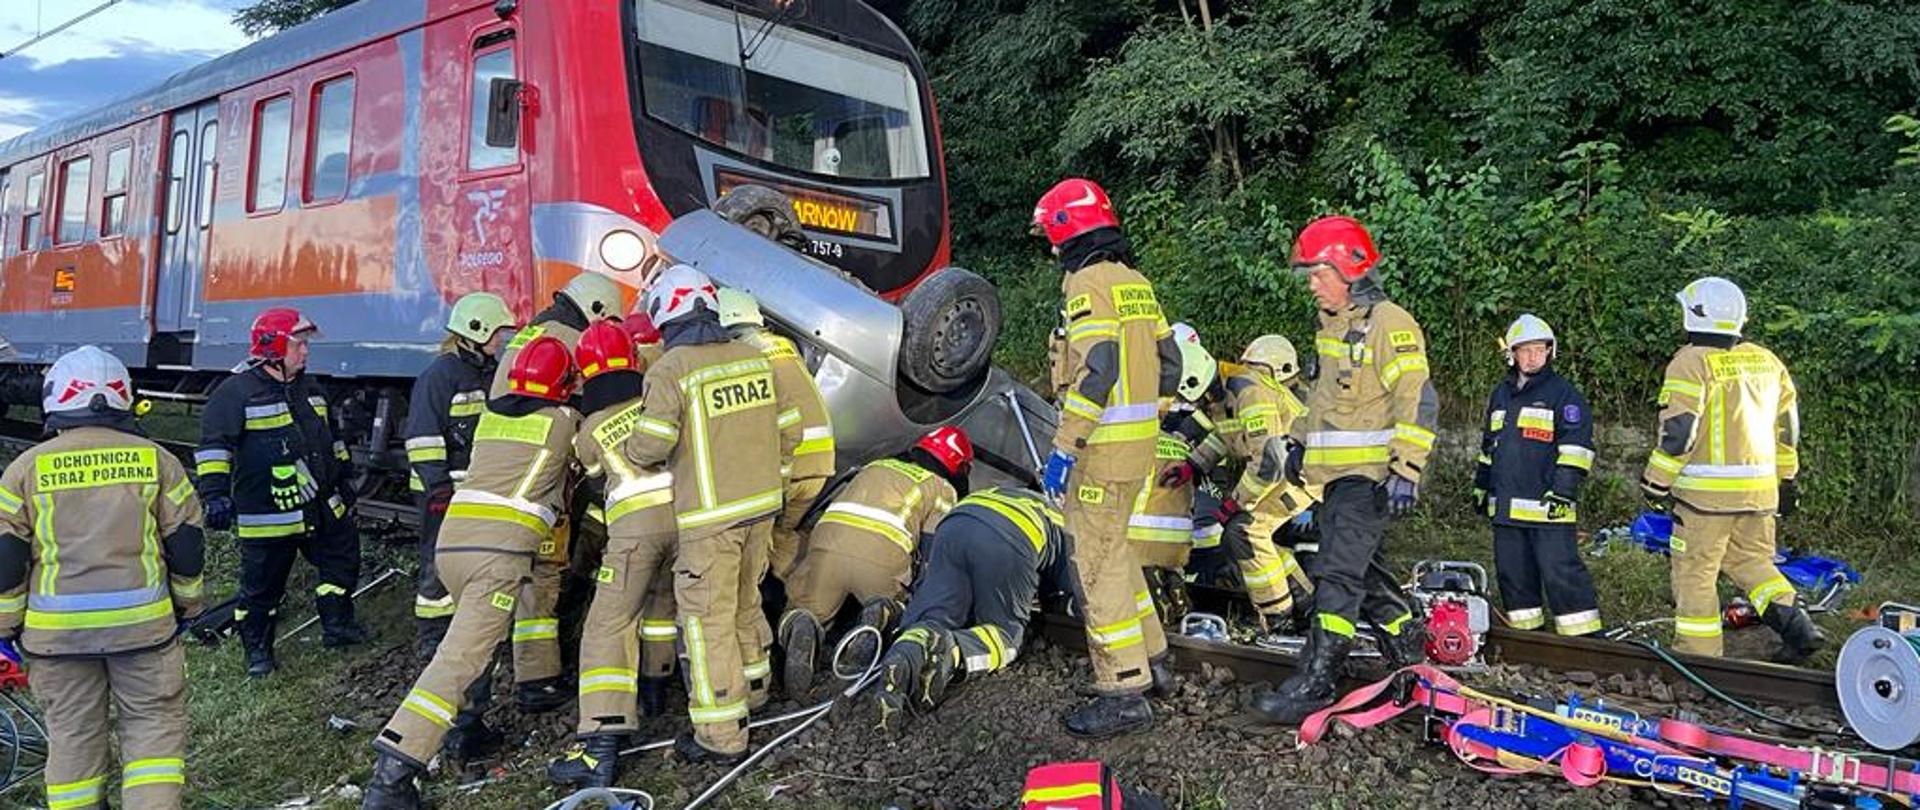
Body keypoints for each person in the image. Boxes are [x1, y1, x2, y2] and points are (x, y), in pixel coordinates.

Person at [362, 336, 582, 809]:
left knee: (474, 646)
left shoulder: (494, 417)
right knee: (460, 658)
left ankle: (468, 731)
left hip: (454, 544)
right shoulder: (564, 421)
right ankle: (392, 774)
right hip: (495, 557)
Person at [0, 346, 205, 810]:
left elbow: (7, 561)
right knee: (153, 735)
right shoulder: (158, 461)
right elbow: (188, 546)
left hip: (57, 640)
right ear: (122, 398)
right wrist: (187, 607)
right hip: (145, 632)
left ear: (57, 399)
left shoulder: (24, 471)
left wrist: (6, 628)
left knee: (73, 737)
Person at [1254, 215, 1437, 725]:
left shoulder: (1391, 325)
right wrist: (1297, 443)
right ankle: (1410, 656)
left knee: (1335, 572)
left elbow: (1418, 400)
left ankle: (1320, 678)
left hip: (1371, 476)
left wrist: (1408, 468)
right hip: (1335, 477)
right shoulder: (1334, 329)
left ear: (1348, 269)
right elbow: (1322, 401)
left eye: (1318, 273)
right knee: (1363, 571)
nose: (1312, 284)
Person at [620, 264, 803, 763]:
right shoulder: (753, 357)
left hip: (710, 518)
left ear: (667, 315)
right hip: (761, 507)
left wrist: (634, 449)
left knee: (706, 620)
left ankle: (721, 734)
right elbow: (791, 430)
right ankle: (756, 691)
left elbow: (650, 445)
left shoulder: (671, 369)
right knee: (746, 603)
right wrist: (775, 480)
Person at [1033, 178, 1178, 739]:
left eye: (1051, 234)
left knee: (1095, 565)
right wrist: (1147, 418)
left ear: (1066, 230)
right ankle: (1154, 658)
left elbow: (1099, 367)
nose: (1049, 248)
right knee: (1118, 553)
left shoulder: (1087, 283)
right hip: (1136, 447)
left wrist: (1066, 446)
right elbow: (1168, 362)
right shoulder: (1135, 283)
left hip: (1100, 453)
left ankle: (1123, 687)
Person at [1641, 277, 1822, 663]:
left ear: (1694, 315)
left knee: (1695, 575)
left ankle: (1700, 661)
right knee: (1752, 564)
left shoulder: (1690, 362)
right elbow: (1788, 428)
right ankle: (1799, 627)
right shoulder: (1766, 360)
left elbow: (1680, 432)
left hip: (1705, 502)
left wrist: (1655, 482)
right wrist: (1787, 479)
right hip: (1759, 494)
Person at [196, 307, 365, 678]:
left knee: (342, 563)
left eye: (305, 344)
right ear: (273, 348)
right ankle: (258, 652)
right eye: (298, 344)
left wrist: (344, 477)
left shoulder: (311, 387)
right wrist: (215, 494)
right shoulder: (235, 393)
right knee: (261, 589)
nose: (305, 352)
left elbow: (330, 437)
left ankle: (337, 627)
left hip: (320, 505)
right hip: (269, 512)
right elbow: (213, 448)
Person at [547, 322, 678, 789]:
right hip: (685, 520)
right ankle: (657, 689)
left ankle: (600, 745)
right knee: (663, 604)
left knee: (608, 625)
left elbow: (594, 472)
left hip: (635, 532)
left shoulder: (589, 427)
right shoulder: (656, 398)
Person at [490, 273, 621, 713]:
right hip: (543, 476)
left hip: (506, 467)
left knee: (528, 576)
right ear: (597, 311)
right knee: (543, 576)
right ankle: (538, 682)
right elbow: (590, 406)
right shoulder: (569, 337)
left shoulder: (532, 331)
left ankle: (532, 670)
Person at [777, 426, 969, 698]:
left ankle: (802, 624)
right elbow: (932, 552)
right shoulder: (943, 489)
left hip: (825, 548)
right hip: (881, 560)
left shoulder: (876, 465)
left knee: (802, 605)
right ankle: (881, 614)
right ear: (959, 467)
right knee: (898, 605)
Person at [869, 487, 1074, 734]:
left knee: (938, 615)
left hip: (956, 524)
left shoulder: (1015, 492)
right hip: (1009, 536)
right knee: (1006, 637)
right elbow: (1075, 593)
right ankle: (951, 651)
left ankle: (910, 644)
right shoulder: (1069, 526)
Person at [1181, 335, 1317, 641]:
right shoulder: (1222, 392)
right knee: (1237, 538)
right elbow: (1225, 435)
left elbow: (1267, 462)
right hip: (1289, 468)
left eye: (1197, 399)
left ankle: (1277, 619)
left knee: (1244, 531)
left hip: (1305, 470)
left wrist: (1236, 503)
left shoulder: (1250, 393)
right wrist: (1194, 465)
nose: (1199, 406)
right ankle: (1306, 603)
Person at [1474, 314, 1602, 637]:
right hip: (1506, 511)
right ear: (1512, 354)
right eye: (1525, 350)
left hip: (1549, 508)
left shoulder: (1564, 396)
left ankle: (1586, 644)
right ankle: (1531, 644)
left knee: (1562, 576)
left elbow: (1576, 448)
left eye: (1539, 350)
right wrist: (1481, 485)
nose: (1532, 357)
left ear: (1549, 352)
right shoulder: (1500, 395)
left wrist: (1564, 490)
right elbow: (1489, 447)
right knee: (1514, 579)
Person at [405, 293, 518, 658]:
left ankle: (470, 624)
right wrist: (438, 488)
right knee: (437, 562)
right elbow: (422, 438)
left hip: (475, 487)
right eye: (497, 333)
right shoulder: (440, 376)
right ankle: (432, 634)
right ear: (475, 331)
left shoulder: (487, 372)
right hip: (443, 490)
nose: (501, 340)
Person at [718, 289, 835, 582]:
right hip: (821, 462)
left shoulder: (740, 356)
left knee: (763, 543)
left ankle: (804, 598)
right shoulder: (783, 345)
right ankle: (819, 591)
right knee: (782, 538)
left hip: (790, 463)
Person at [1129, 323, 1215, 621]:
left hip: (1138, 533)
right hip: (1181, 535)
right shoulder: (1194, 432)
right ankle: (1174, 591)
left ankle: (1158, 596)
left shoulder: (1141, 426)